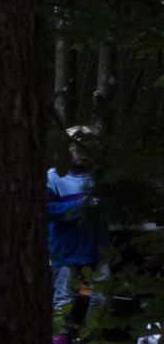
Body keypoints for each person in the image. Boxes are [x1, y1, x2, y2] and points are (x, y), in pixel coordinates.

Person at [49, 127, 106, 333]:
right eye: (78, 148)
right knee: (64, 298)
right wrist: (80, 205)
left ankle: (92, 342)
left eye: (88, 148)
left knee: (102, 297)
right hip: (66, 246)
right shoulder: (53, 178)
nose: (83, 154)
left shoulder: (101, 177)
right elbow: (46, 209)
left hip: (97, 246)